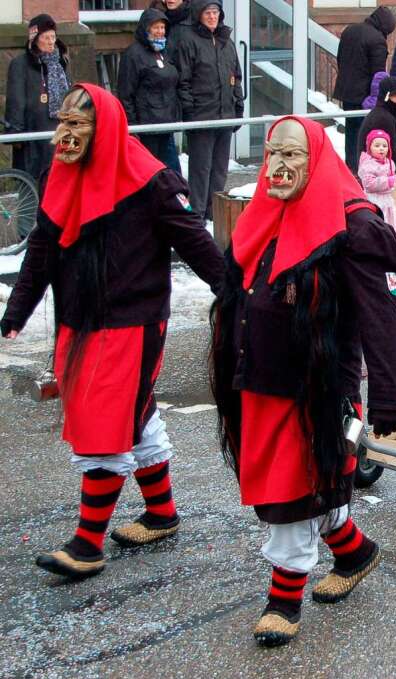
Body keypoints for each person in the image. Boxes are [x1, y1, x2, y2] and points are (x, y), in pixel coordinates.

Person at [1, 84, 224, 578]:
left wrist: (237, 295)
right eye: (61, 122)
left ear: (103, 128)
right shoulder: (59, 174)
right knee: (136, 415)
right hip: (78, 321)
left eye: (76, 124)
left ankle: (87, 543)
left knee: (105, 423)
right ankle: (161, 514)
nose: (65, 133)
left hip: (132, 321)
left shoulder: (152, 181)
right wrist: (16, 311)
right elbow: (42, 249)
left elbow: (195, 242)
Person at [211, 117, 396, 647]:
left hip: (317, 392)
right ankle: (355, 551)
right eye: (271, 154)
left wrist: (389, 396)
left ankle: (284, 599)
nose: (276, 167)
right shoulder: (262, 215)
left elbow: (382, 315)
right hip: (261, 380)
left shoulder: (356, 227)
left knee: (292, 493)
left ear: (316, 160)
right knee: (298, 488)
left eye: (291, 157)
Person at [175, 0, 243, 222]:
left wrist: (238, 107)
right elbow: (183, 80)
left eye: (215, 12)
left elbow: (236, 76)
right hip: (202, 116)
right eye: (208, 13)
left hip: (225, 114)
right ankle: (198, 215)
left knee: (220, 168)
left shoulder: (226, 41)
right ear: (199, 15)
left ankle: (216, 213)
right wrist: (189, 111)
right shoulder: (189, 41)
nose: (212, 17)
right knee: (200, 169)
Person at [4, 14, 71, 184]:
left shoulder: (61, 62)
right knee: (33, 184)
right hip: (34, 135)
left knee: (63, 181)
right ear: (34, 39)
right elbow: (15, 101)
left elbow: (70, 97)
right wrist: (15, 133)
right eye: (45, 37)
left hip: (61, 131)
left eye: (53, 37)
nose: (50, 41)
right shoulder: (20, 64)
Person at [118, 8, 182, 174]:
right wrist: (132, 128)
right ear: (146, 29)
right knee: (149, 175)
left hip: (166, 125)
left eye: (162, 28)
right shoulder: (133, 55)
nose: (160, 32)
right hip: (145, 129)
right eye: (155, 28)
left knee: (171, 174)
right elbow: (126, 94)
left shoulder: (165, 53)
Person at [334, 6, 396, 173]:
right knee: (365, 135)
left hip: (347, 92)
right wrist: (376, 99)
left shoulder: (349, 30)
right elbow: (379, 75)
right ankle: (363, 172)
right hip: (365, 97)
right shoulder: (377, 40)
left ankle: (351, 169)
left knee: (351, 132)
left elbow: (340, 58)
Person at [359, 130, 396, 252]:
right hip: (376, 201)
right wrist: (388, 181)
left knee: (394, 226)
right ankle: (378, 251)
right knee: (380, 227)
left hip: (389, 200)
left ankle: (394, 250)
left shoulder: (390, 162)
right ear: (369, 147)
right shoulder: (367, 165)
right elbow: (369, 184)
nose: (381, 149)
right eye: (377, 146)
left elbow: (393, 178)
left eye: (384, 146)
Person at [357, 77, 396, 173]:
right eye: (394, 94)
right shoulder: (383, 118)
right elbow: (390, 152)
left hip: (377, 172)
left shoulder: (384, 114)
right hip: (378, 175)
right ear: (386, 96)